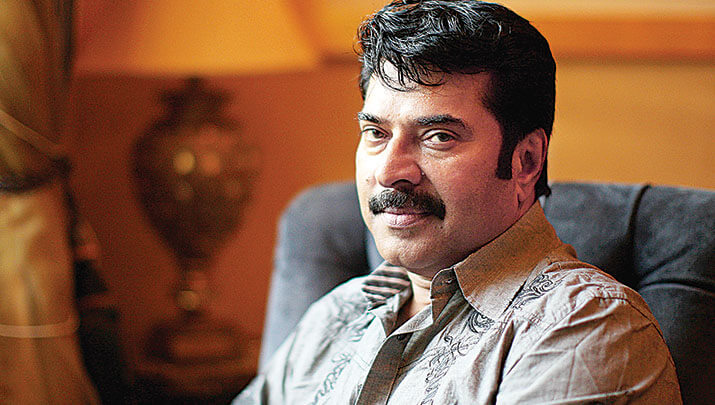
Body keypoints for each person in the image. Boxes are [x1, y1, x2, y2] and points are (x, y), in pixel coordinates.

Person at [235, 1, 681, 403]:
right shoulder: (338, 312)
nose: (390, 171)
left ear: (526, 161)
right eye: (376, 133)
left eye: (438, 137)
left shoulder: (584, 327)